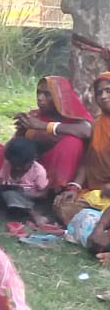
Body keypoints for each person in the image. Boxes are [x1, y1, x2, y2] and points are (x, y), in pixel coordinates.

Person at [0, 76, 91, 197]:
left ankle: (49, 194)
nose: (40, 98)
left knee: (72, 142)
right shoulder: (34, 116)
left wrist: (44, 126)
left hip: (49, 173)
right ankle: (8, 188)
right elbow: (14, 145)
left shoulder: (73, 118)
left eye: (47, 94)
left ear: (61, 97)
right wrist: (21, 131)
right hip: (23, 167)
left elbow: (87, 131)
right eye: (38, 93)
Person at [55, 71, 110, 225]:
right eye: (99, 93)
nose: (103, 96)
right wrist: (74, 187)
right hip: (99, 194)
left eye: (108, 90)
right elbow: (88, 162)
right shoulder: (97, 125)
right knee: (63, 206)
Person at [0, 138, 51, 226]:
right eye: (14, 165)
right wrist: (4, 185)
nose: (17, 168)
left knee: (11, 195)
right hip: (7, 197)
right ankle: (4, 210)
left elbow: (44, 193)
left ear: (32, 160)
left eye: (21, 166)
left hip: (27, 201)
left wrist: (26, 193)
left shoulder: (38, 171)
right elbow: (0, 180)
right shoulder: (8, 164)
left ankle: (33, 215)